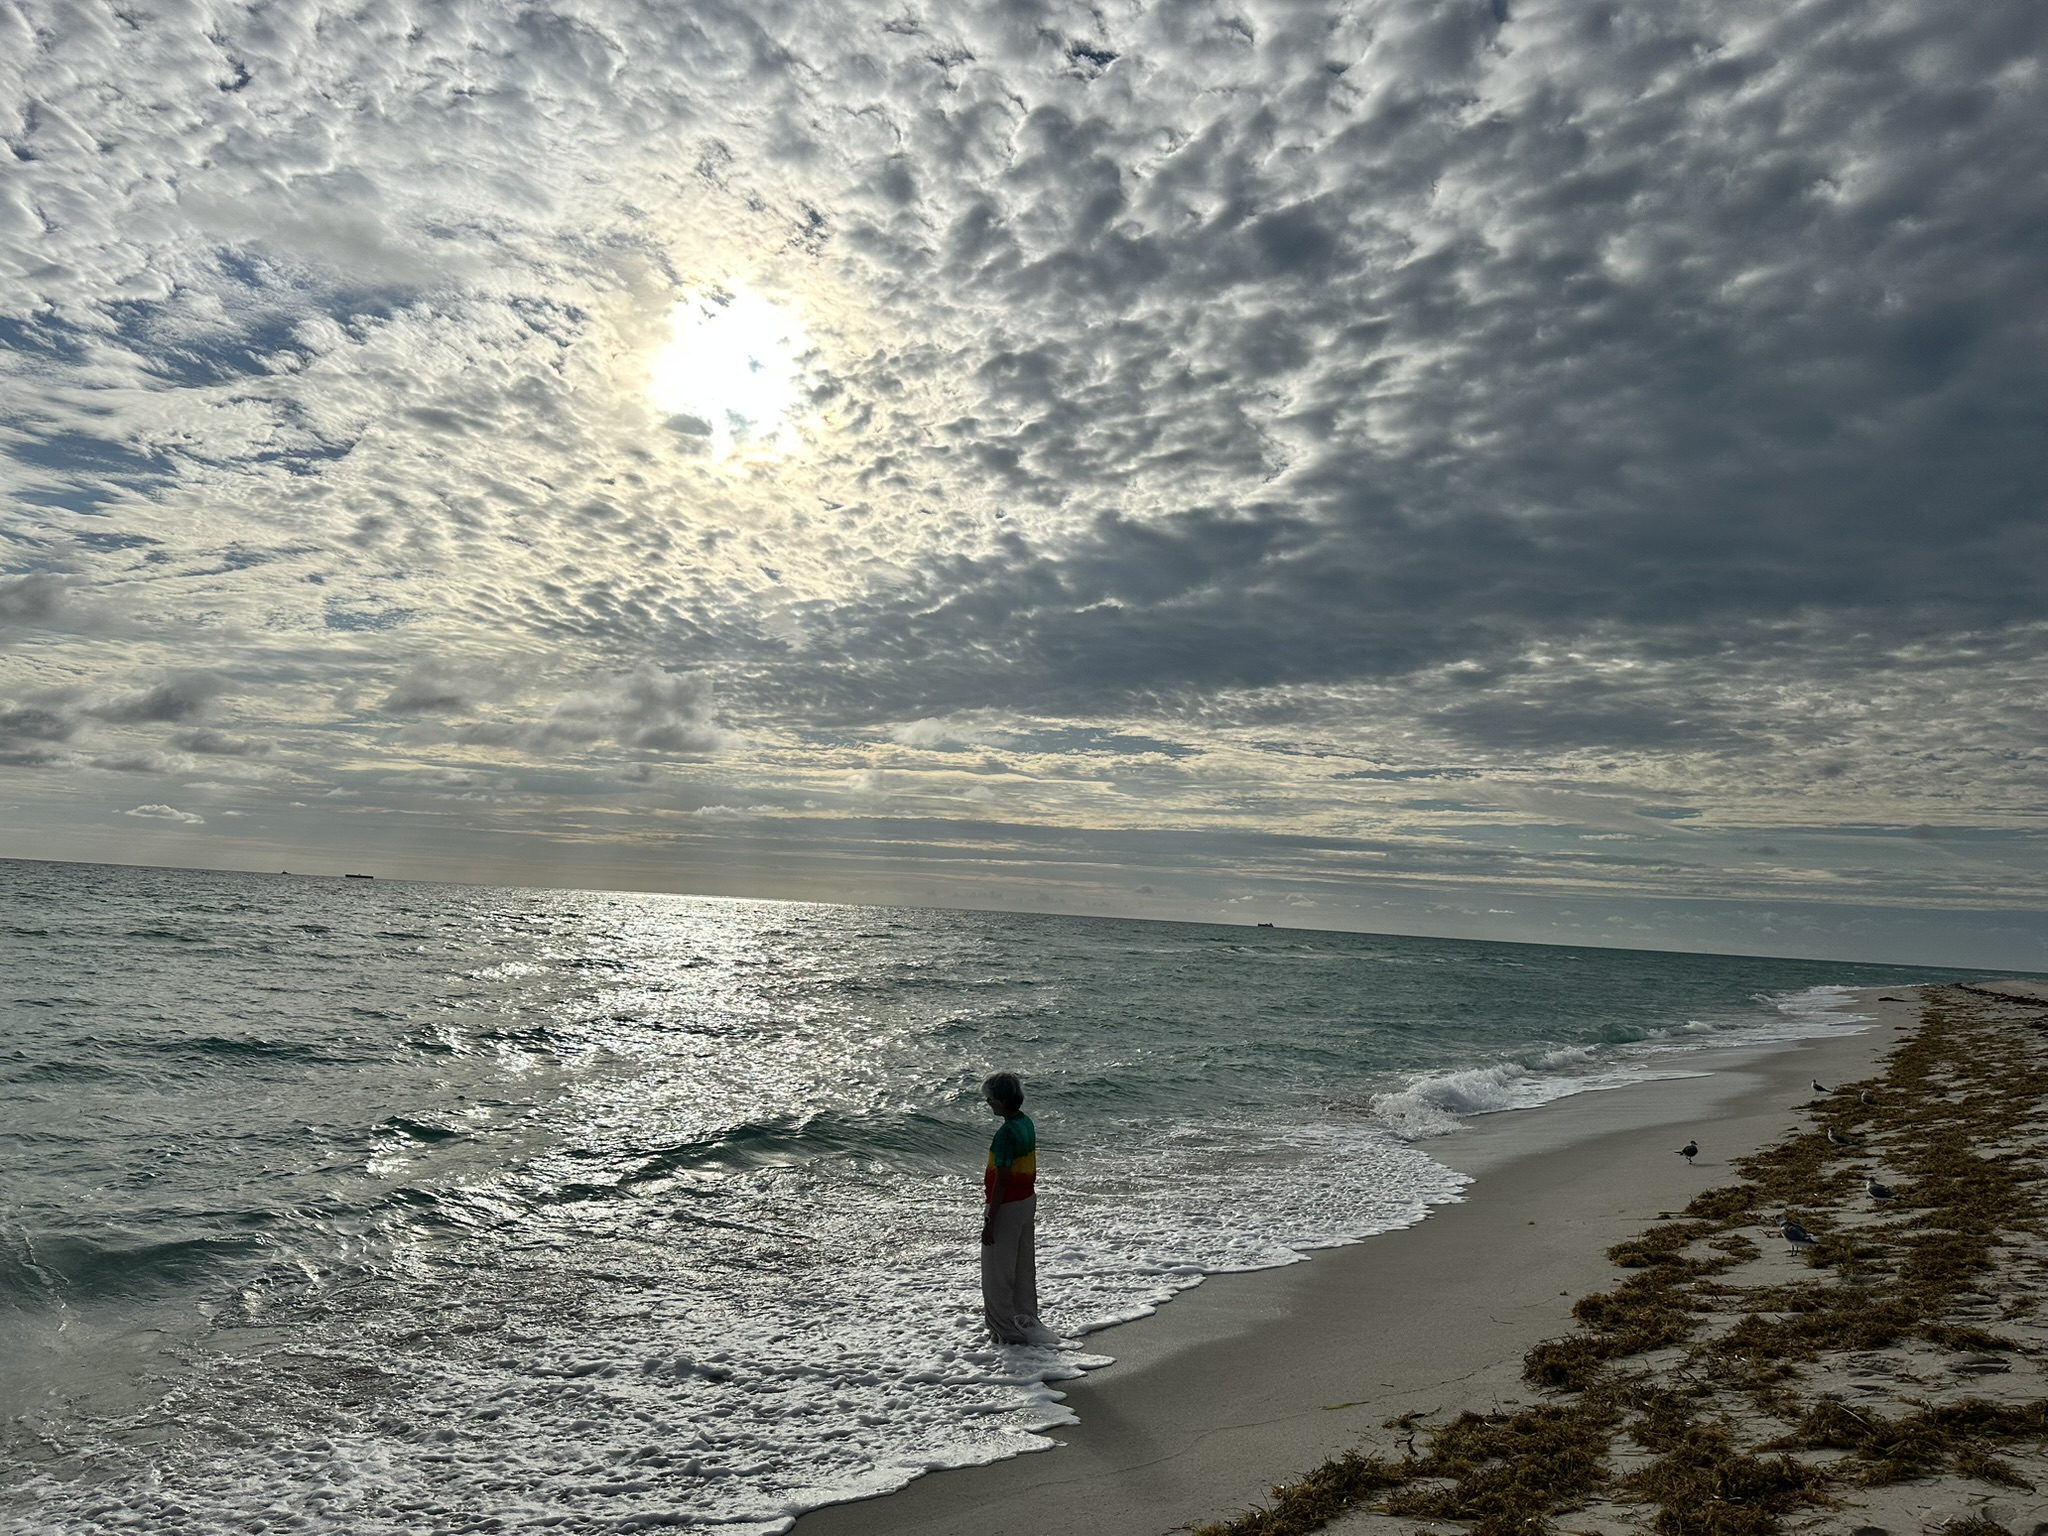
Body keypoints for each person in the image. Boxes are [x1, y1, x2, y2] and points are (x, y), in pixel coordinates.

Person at [979, 1071, 1049, 1345]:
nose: (988, 1103)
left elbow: (1002, 1179)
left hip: (1007, 1206)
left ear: (1001, 1100)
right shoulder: (1026, 1123)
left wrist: (989, 1220)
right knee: (1022, 1268)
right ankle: (1026, 1320)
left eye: (990, 1098)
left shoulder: (1006, 1133)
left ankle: (1004, 1332)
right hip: (1027, 1200)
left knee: (997, 1273)